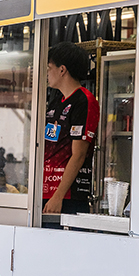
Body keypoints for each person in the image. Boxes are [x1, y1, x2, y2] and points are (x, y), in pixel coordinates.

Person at [42, 42, 99, 216]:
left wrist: (58, 196)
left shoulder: (84, 101)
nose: (47, 72)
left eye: (49, 67)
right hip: (45, 190)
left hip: (67, 197)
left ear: (62, 70)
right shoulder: (56, 101)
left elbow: (79, 153)